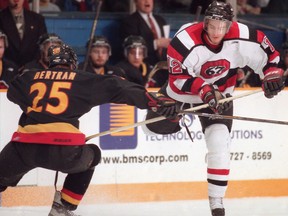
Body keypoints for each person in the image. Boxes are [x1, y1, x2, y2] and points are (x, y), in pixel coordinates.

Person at [0, 43, 178, 216]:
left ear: (50, 63)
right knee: (93, 153)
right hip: (64, 152)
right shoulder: (83, 79)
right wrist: (155, 101)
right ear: (72, 64)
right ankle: (63, 207)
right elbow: (119, 87)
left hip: (23, 149)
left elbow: (12, 92)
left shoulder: (28, 77)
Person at [144, 1, 285, 216]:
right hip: (183, 91)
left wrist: (271, 76)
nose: (216, 31)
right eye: (212, 25)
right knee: (153, 127)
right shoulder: (184, 41)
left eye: (222, 26)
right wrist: (205, 90)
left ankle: (217, 205)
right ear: (205, 23)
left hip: (221, 94)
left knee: (219, 142)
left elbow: (271, 58)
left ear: (229, 26)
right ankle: (170, 121)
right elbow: (177, 81)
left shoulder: (245, 37)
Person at [120, 0, 171, 66]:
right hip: (143, 66)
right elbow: (131, 47)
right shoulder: (129, 21)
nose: (147, 1)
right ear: (136, 2)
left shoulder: (161, 20)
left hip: (162, 65)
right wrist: (156, 43)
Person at [0, 0, 47, 68]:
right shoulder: (1, 18)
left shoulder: (37, 19)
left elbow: (42, 46)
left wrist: (30, 66)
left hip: (32, 70)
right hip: (6, 71)